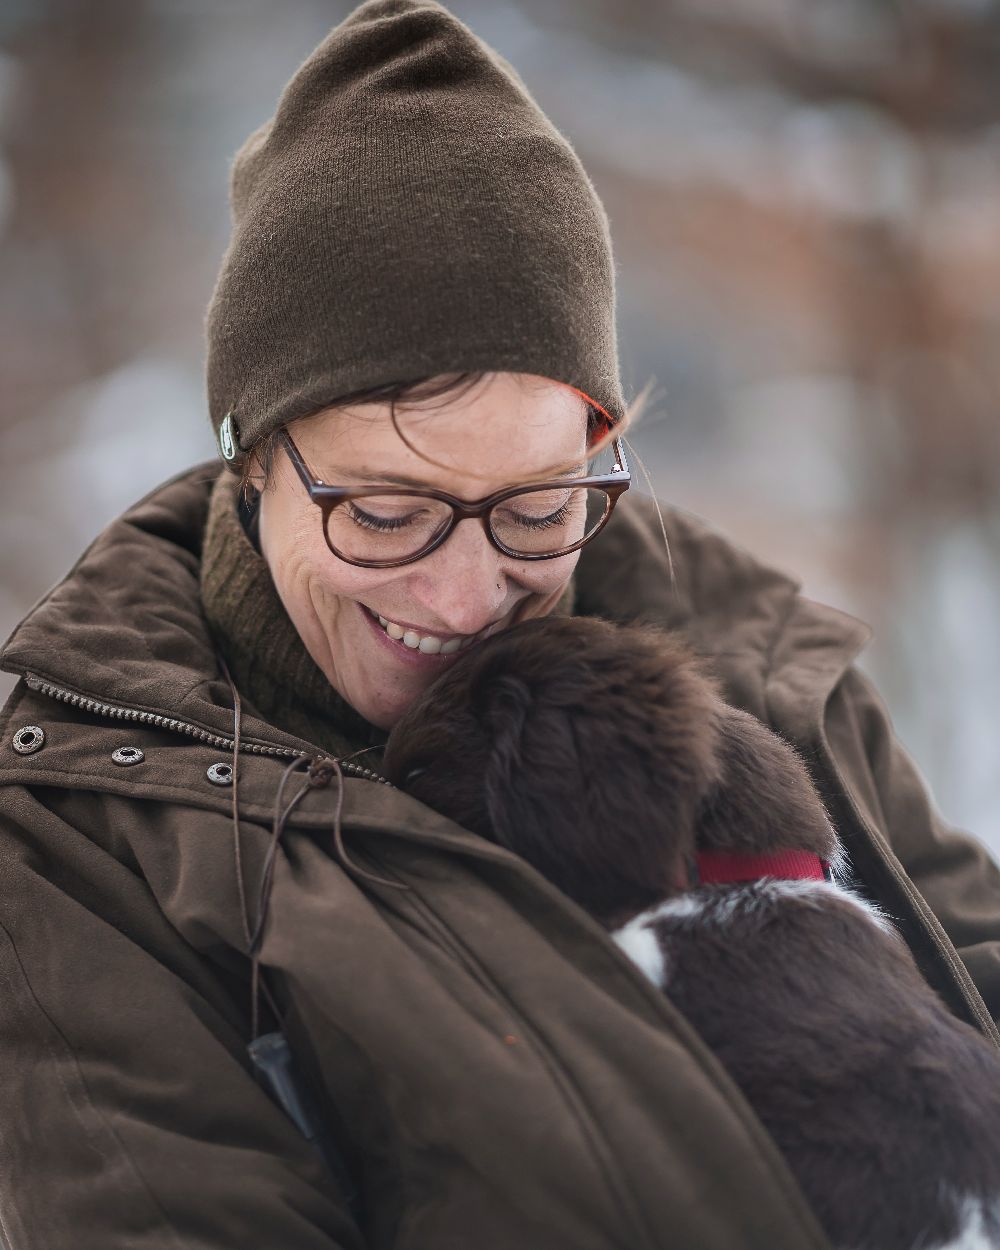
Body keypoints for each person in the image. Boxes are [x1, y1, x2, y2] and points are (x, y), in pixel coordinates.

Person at [0, 1, 997, 1247]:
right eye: (384, 513)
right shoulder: (94, 840)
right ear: (249, 460)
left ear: (598, 441)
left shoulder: (751, 654)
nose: (468, 598)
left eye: (535, 507)